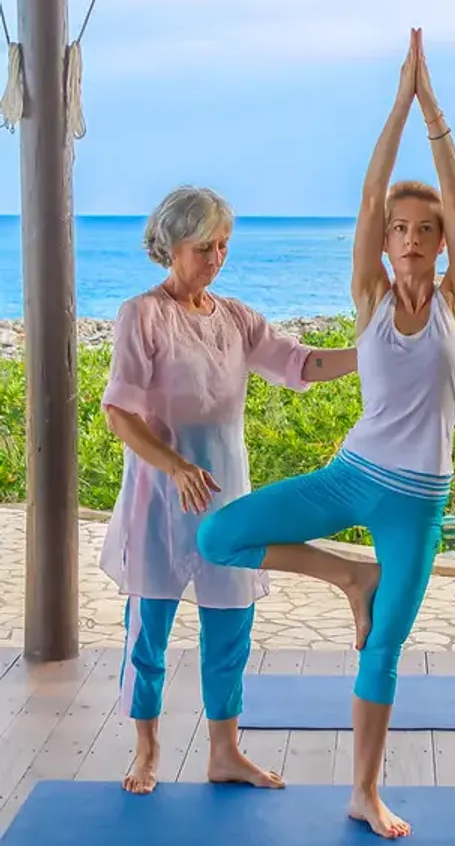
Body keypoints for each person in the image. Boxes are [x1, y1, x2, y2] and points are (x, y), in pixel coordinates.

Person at [197, 28, 455, 838]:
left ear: (438, 243)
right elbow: (367, 200)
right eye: (401, 230)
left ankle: (364, 790)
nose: (412, 238)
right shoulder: (370, 297)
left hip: (416, 502)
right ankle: (344, 578)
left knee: (382, 652)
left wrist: (435, 113)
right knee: (219, 533)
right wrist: (396, 104)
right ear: (387, 243)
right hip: (350, 475)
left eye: (424, 231)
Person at [101, 186, 370, 795]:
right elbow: (120, 413)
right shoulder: (141, 315)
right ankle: (146, 751)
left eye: (224, 245)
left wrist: (372, 355)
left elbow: (301, 362)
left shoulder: (237, 318)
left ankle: (225, 752)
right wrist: (174, 466)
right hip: (159, 502)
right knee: (148, 635)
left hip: (225, 499)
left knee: (230, 629)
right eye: (204, 247)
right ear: (170, 247)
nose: (217, 258)